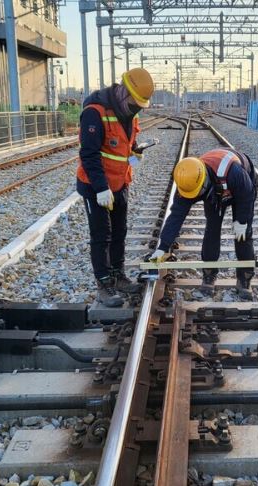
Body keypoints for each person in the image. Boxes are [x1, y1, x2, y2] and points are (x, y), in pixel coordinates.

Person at [77, 67, 154, 307]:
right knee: (101, 236)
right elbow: (89, 154)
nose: (137, 107)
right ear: (124, 92)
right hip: (96, 186)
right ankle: (104, 285)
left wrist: (135, 154)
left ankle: (118, 276)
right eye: (135, 102)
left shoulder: (130, 112)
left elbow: (124, 147)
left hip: (120, 183)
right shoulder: (94, 112)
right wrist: (101, 188)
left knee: (120, 231)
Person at [148, 149, 257, 300]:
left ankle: (244, 278)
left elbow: (248, 194)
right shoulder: (187, 182)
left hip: (238, 187)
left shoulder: (234, 173)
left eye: (197, 193)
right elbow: (176, 217)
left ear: (204, 182)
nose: (195, 198)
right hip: (216, 190)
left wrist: (242, 221)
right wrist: (162, 248)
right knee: (212, 228)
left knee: (243, 234)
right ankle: (209, 275)